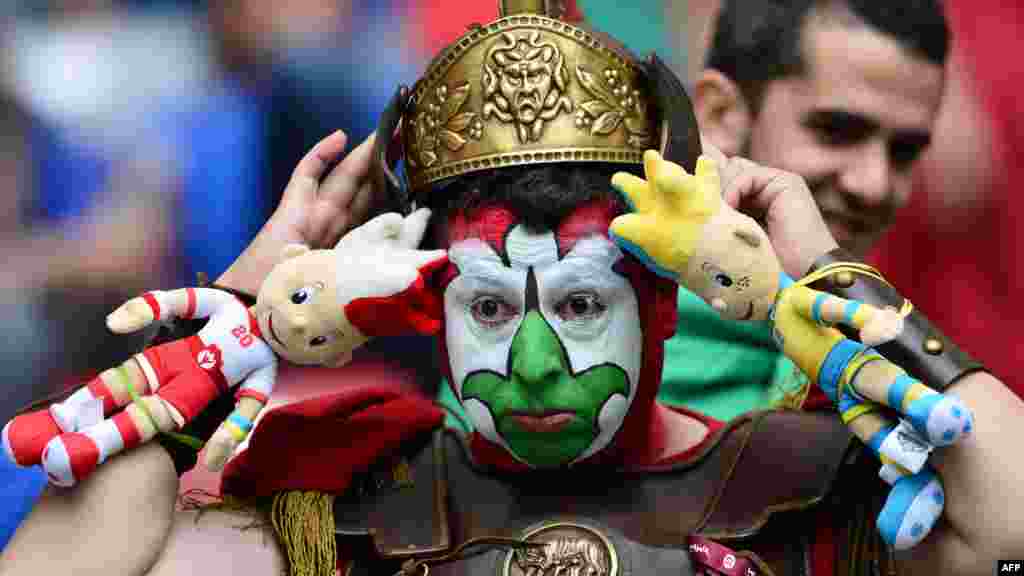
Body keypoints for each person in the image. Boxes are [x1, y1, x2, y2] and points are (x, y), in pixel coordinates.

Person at [3, 2, 1022, 576]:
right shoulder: (344, 512)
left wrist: (826, 274)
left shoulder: (799, 486)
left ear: (660, 304)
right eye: (488, 307)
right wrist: (237, 308)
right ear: (431, 315)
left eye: (580, 304)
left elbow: (1013, 526)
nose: (533, 365)